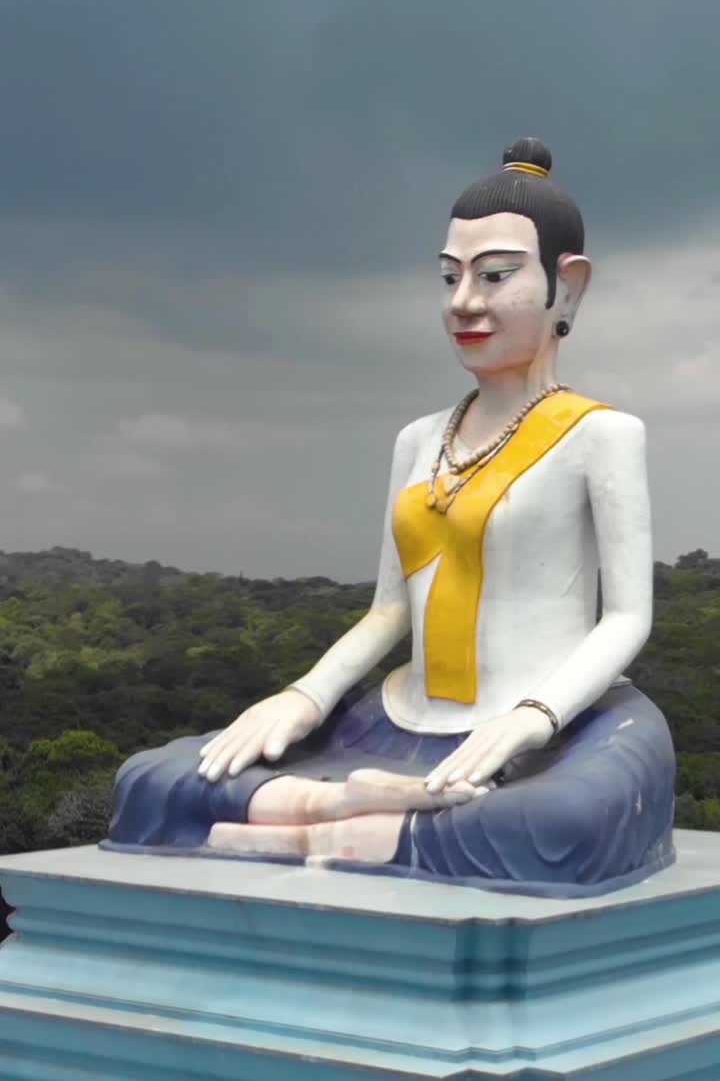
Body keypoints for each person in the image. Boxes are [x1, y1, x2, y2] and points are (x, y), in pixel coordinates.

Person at [105, 137, 676, 895]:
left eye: (497, 275)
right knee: (153, 780)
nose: (464, 302)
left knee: (556, 824)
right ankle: (358, 818)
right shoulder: (419, 440)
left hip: (559, 726)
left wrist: (533, 718)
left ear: (566, 289)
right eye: (450, 277)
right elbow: (388, 611)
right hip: (398, 723)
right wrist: (303, 697)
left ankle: (309, 824)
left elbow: (626, 619)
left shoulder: (602, 436)